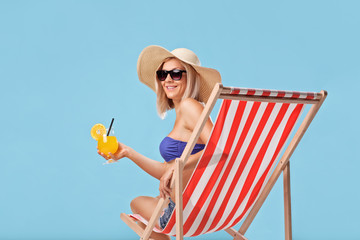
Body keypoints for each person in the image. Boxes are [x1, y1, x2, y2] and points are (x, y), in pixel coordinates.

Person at [98, 45, 221, 239]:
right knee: (144, 215)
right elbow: (166, 170)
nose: (168, 80)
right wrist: (128, 152)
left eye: (176, 74)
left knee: (137, 206)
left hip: (185, 212)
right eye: (163, 74)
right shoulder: (183, 112)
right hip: (183, 208)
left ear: (191, 78)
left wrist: (175, 168)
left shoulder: (191, 106)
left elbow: (219, 148)